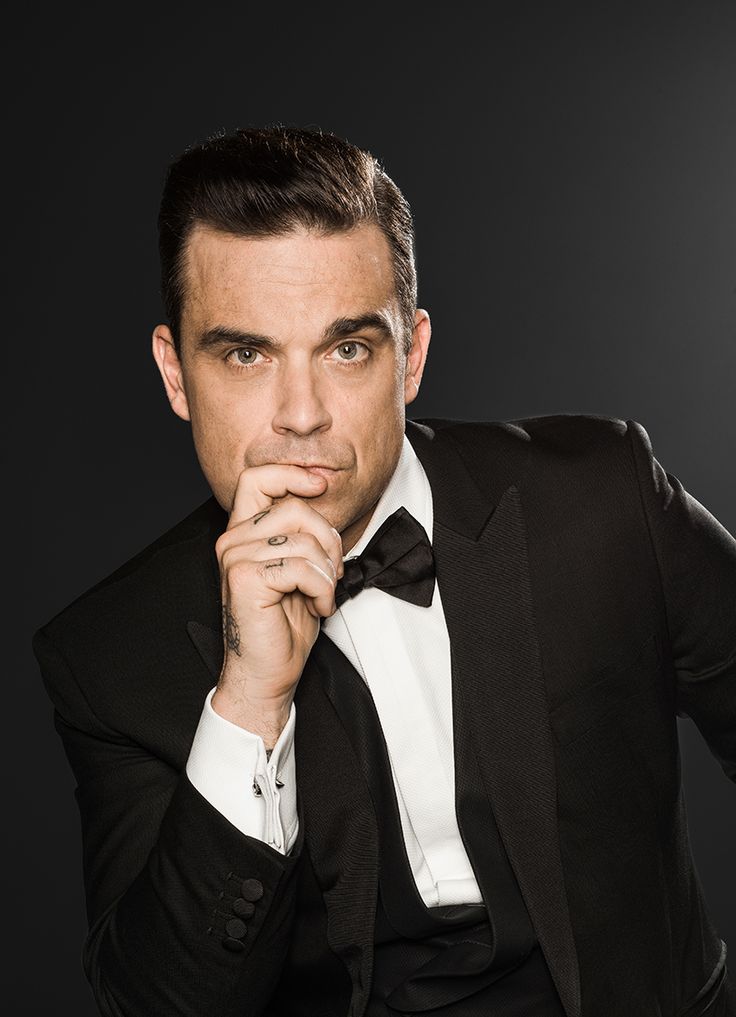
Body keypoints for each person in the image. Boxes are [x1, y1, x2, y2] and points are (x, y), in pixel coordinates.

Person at [33, 126, 735, 1017]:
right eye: (246, 354)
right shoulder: (106, 658)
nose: (301, 416)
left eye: (347, 349)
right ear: (176, 375)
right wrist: (248, 701)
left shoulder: (603, 497)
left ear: (412, 355)